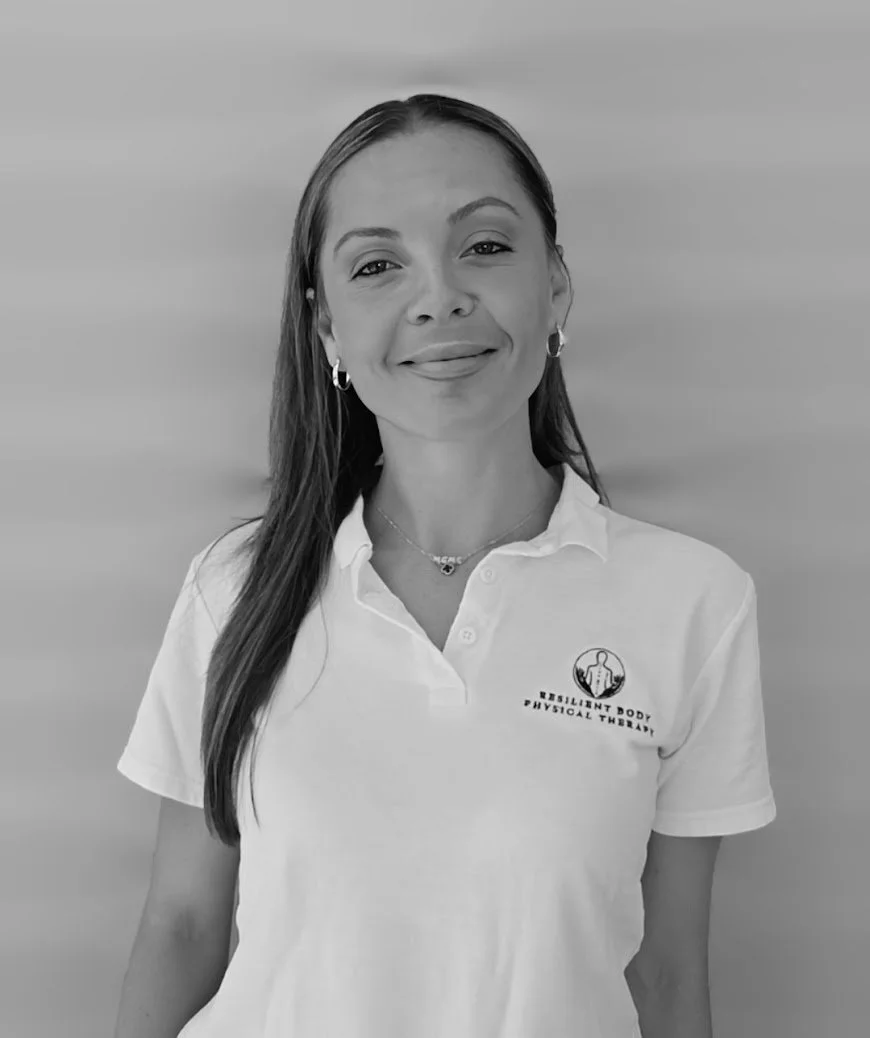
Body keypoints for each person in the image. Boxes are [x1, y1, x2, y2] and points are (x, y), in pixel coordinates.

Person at [114, 94, 776, 1038]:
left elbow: (668, 976)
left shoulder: (695, 604)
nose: (439, 298)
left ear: (557, 287)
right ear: (327, 330)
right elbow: (180, 928)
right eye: (377, 266)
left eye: (485, 247)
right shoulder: (234, 589)